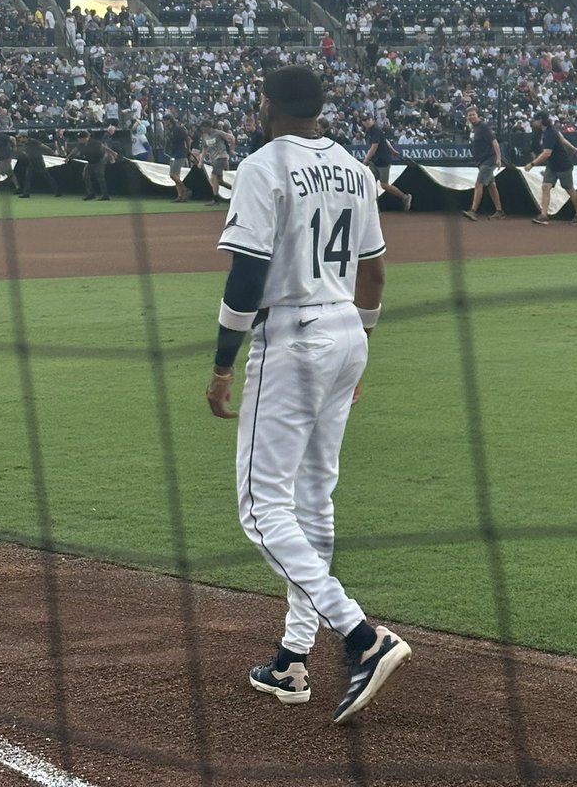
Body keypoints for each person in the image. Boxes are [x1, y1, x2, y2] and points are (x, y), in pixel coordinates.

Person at [206, 66, 411, 723]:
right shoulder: (355, 168)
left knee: (263, 511)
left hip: (293, 338)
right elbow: (375, 272)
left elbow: (248, 274)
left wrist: (221, 365)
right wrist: (361, 346)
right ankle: (293, 661)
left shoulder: (264, 166)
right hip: (347, 331)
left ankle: (360, 637)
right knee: (312, 500)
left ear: (267, 107)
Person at [524, 111, 577, 225]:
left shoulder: (550, 133)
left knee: (569, 189)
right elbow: (562, 140)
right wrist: (573, 148)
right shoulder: (543, 132)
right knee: (545, 187)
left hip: (563, 165)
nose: (533, 122)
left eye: (535, 120)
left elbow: (547, 153)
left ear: (540, 120)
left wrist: (532, 164)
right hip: (552, 166)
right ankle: (544, 215)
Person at [361, 115, 411, 212]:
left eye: (368, 119)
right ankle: (375, 208)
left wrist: (366, 160)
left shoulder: (375, 129)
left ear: (371, 120)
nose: (366, 121)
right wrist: (392, 150)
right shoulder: (370, 131)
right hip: (375, 161)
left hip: (382, 160)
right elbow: (385, 140)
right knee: (371, 183)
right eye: (364, 120)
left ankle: (405, 197)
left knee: (384, 184)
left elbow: (374, 146)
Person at [462, 106, 504, 220]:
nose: (471, 117)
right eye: (469, 115)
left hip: (489, 160)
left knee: (479, 184)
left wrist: (498, 158)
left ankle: (473, 211)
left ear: (478, 115)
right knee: (491, 186)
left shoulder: (484, 127)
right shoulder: (474, 128)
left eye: (473, 114)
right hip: (481, 161)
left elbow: (495, 142)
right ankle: (499, 211)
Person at [197, 119, 235, 206]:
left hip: (221, 156)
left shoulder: (218, 133)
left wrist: (232, 150)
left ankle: (215, 199)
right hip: (214, 159)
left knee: (213, 177)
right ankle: (236, 190)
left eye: (204, 127)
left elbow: (232, 138)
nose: (202, 129)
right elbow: (204, 149)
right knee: (220, 181)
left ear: (208, 127)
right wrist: (200, 161)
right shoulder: (205, 136)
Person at [68, 130, 114, 200]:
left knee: (101, 179)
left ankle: (105, 195)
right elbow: (74, 150)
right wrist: (68, 157)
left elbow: (105, 148)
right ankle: (91, 193)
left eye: (80, 138)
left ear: (85, 138)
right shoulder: (80, 145)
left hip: (98, 162)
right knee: (85, 176)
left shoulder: (95, 143)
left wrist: (113, 154)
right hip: (90, 162)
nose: (78, 139)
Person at [15, 132, 63, 198]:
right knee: (28, 178)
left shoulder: (33, 141)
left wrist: (52, 153)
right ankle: (26, 193)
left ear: (24, 137)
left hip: (38, 161)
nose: (19, 139)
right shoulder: (25, 144)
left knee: (47, 177)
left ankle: (57, 191)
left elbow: (44, 147)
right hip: (32, 162)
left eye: (20, 137)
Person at [163, 113, 193, 202]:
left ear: (169, 120)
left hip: (180, 153)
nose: (164, 122)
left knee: (172, 174)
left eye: (165, 120)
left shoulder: (178, 129)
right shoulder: (170, 129)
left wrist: (188, 149)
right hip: (174, 153)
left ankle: (185, 189)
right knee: (176, 175)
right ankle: (180, 196)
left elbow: (187, 138)